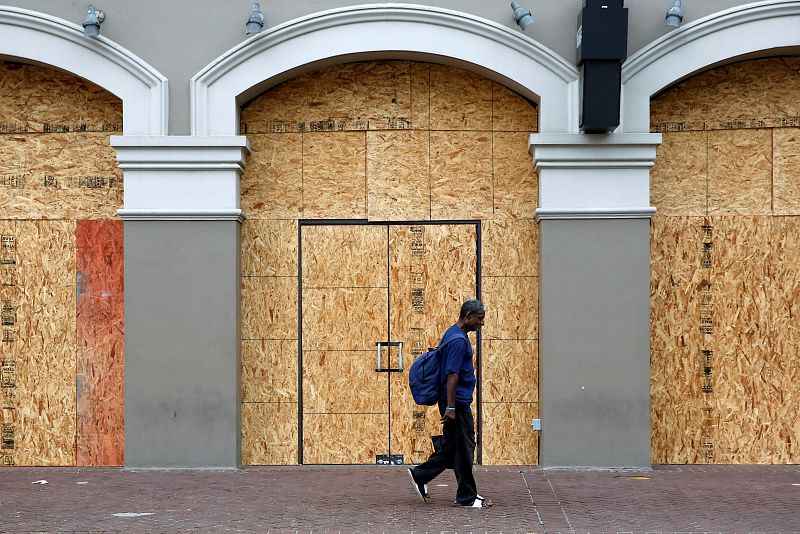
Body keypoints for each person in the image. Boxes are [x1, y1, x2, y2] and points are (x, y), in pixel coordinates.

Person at [407, 299, 491, 508]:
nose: (481, 323)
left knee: (452, 447)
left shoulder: (453, 333)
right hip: (456, 403)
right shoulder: (458, 341)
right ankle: (467, 497)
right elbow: (452, 374)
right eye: (479, 319)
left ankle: (420, 475)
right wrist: (451, 407)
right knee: (465, 448)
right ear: (468, 316)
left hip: (454, 401)